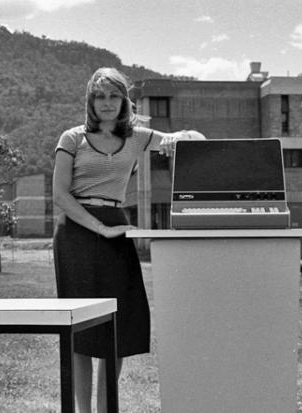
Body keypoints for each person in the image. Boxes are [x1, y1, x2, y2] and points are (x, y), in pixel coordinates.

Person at [52, 68, 205, 413]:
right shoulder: (72, 139)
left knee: (117, 327)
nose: (107, 103)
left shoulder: (136, 137)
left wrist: (187, 135)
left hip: (116, 229)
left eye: (113, 96)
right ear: (90, 101)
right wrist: (99, 228)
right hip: (77, 232)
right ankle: (83, 411)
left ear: (124, 100)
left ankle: (108, 409)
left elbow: (185, 139)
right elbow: (61, 196)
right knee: (79, 328)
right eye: (100, 96)